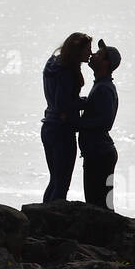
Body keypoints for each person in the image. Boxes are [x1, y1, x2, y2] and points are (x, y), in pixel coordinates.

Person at [40, 33, 92, 202]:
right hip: (62, 130)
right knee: (61, 183)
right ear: (77, 51)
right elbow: (63, 103)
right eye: (87, 49)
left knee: (54, 180)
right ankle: (51, 221)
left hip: (48, 125)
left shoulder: (52, 64)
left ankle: (39, 218)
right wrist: (85, 102)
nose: (90, 53)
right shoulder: (66, 72)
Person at [77, 39, 121, 210]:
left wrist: (76, 123)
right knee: (98, 202)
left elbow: (105, 122)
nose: (93, 55)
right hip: (97, 153)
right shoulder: (101, 85)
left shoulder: (104, 88)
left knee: (98, 205)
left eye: (99, 55)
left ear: (106, 63)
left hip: (100, 154)